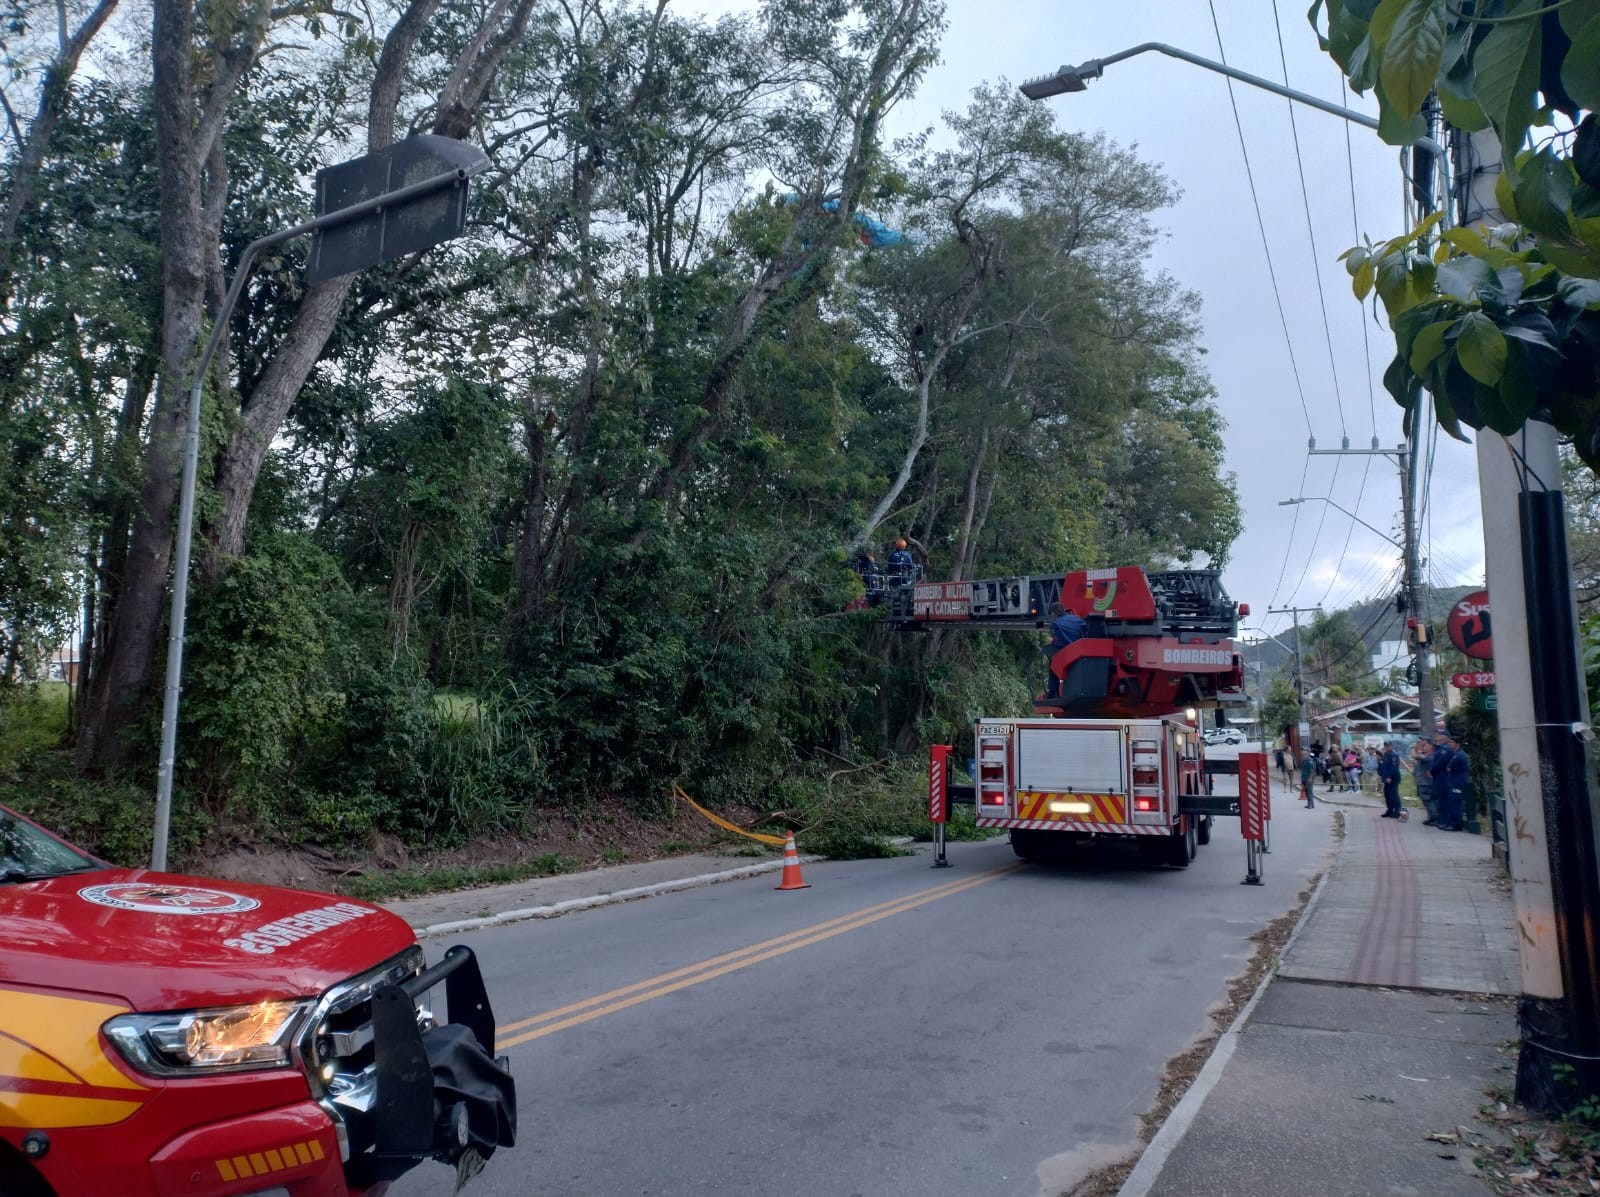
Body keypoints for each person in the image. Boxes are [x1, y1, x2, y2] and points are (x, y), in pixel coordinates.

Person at [1043, 601, 1085, 699]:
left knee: (1053, 660)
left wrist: (1050, 644)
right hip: (1081, 650)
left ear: (1054, 613)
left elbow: (1059, 643)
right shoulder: (1078, 619)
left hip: (1068, 652)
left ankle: (1053, 691)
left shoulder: (1055, 624)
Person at [1443, 733, 1471, 831]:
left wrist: (1450, 769)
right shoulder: (1455, 754)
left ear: (1457, 744)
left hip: (1457, 783)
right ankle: (1452, 823)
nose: (1449, 744)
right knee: (1452, 802)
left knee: (1455, 803)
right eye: (1449, 742)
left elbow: (1450, 768)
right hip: (1453, 782)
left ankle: (1456, 824)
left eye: (1451, 742)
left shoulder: (1459, 755)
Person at [1426, 732, 1452, 827]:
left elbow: (1439, 763)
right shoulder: (1440, 748)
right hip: (1438, 777)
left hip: (1442, 777)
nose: (1436, 736)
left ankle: (1445, 821)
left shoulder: (1444, 749)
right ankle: (1442, 820)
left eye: (1439, 735)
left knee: (1443, 800)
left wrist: (1432, 771)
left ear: (1444, 737)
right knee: (1440, 799)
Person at [1378, 741, 1403, 818]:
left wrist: (1389, 776)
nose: (1386, 747)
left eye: (1388, 745)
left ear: (1391, 746)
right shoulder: (1385, 755)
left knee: (1394, 795)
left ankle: (1397, 811)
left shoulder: (1394, 755)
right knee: (1387, 795)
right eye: (1385, 745)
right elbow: (1383, 766)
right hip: (1386, 778)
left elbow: (1394, 768)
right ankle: (1390, 810)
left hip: (1393, 778)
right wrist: (1381, 774)